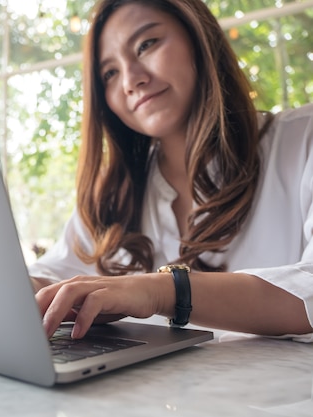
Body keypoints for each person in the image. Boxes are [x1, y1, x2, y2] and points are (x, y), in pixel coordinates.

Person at [29, 0, 313, 343]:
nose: (131, 80)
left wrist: (162, 290)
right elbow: (52, 275)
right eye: (110, 73)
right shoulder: (114, 196)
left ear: (198, 38)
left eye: (146, 44)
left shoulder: (303, 138)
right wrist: (22, 288)